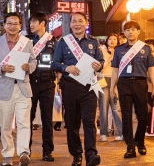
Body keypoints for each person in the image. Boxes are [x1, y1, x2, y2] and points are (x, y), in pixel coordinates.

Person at [52, 12, 103, 166]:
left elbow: (101, 61)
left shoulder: (94, 43)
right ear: (71, 24)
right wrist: (65, 67)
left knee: (89, 121)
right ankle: (76, 154)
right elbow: (54, 63)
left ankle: (91, 154)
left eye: (80, 21)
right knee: (72, 123)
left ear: (86, 23)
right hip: (70, 87)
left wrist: (99, 65)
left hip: (88, 86)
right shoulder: (63, 42)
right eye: (74, 21)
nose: (77, 24)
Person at [0, 12, 37, 166]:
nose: (13, 26)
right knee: (5, 125)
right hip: (4, 88)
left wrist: (30, 67)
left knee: (24, 123)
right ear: (4, 25)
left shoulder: (26, 42)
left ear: (20, 25)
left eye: (16, 23)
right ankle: (7, 154)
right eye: (9, 23)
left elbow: (33, 61)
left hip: (23, 88)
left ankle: (23, 153)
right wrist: (1, 68)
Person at [110, 20, 154, 159]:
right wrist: (112, 88)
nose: (130, 32)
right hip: (124, 83)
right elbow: (114, 70)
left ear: (138, 31)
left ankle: (140, 141)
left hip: (140, 83)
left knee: (142, 115)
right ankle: (130, 146)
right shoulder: (119, 50)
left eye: (133, 29)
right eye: (127, 30)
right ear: (124, 33)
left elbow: (151, 69)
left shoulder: (146, 48)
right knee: (126, 116)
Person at [28, 11, 56, 162]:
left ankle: (47, 151)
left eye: (34, 21)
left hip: (47, 84)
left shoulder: (53, 41)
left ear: (43, 23)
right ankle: (26, 150)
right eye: (30, 21)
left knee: (47, 120)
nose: (31, 24)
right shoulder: (26, 41)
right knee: (28, 119)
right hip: (29, 84)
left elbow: (57, 62)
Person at [98, 34, 122, 142]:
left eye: (115, 39)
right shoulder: (101, 51)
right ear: (107, 41)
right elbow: (100, 67)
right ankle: (104, 133)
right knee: (104, 107)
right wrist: (110, 58)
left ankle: (120, 132)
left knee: (116, 107)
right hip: (104, 80)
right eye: (110, 39)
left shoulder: (120, 52)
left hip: (115, 81)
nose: (112, 41)